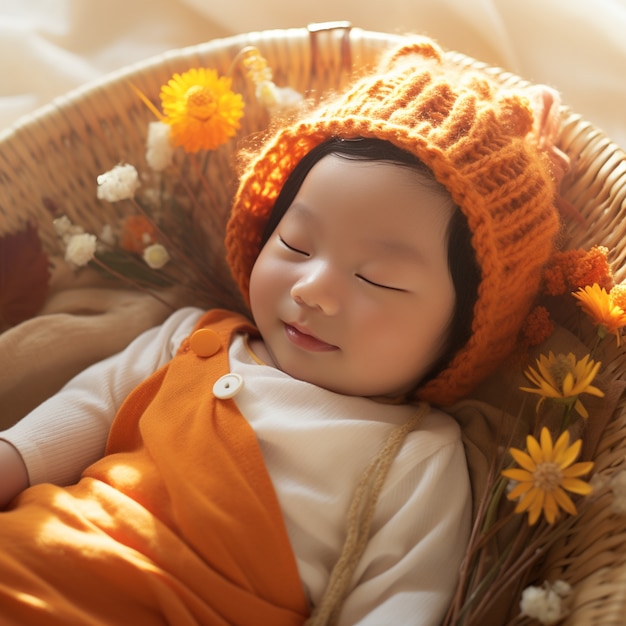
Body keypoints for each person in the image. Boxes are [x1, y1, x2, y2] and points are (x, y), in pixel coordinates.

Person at [0, 37, 561, 625]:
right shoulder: (194, 338)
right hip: (33, 554)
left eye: (379, 279)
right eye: (295, 243)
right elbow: (89, 408)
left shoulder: (415, 457)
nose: (312, 288)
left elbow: (402, 601)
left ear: (462, 330)